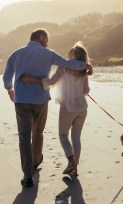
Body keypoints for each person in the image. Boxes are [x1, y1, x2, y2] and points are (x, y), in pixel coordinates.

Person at [2, 28, 93, 187]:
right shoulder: (49, 53)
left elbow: (7, 74)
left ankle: (27, 175)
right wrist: (85, 65)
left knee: (24, 137)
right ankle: (37, 161)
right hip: (41, 100)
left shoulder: (16, 53)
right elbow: (67, 63)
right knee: (38, 132)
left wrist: (9, 89)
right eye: (47, 39)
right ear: (42, 38)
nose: (48, 43)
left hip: (22, 99)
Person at [21, 42, 90, 176]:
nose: (67, 54)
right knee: (76, 137)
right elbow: (86, 91)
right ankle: (74, 167)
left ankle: (71, 161)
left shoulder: (64, 66)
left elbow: (51, 82)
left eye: (70, 52)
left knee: (63, 135)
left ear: (73, 54)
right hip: (82, 108)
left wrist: (32, 80)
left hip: (68, 107)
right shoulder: (83, 70)